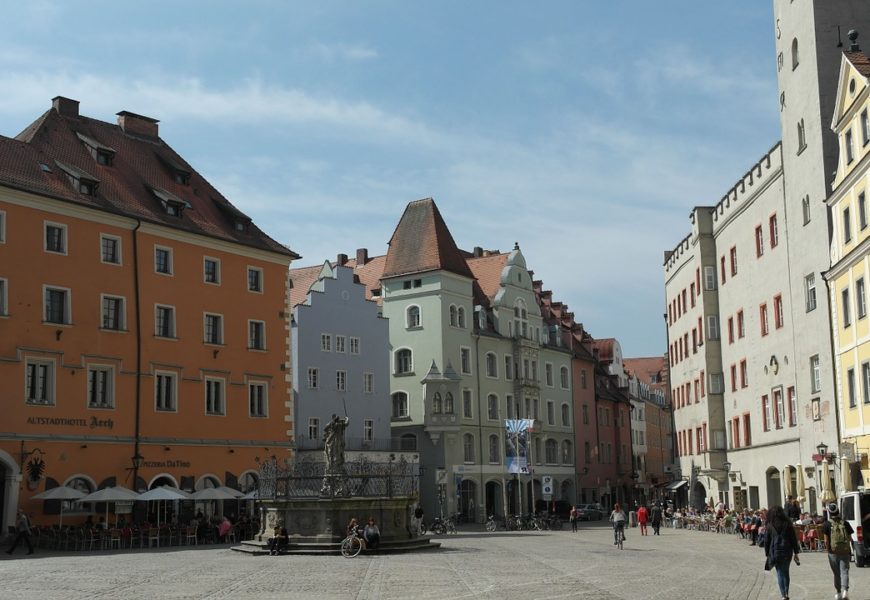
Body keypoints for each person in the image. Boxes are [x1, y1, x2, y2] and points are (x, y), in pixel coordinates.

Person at [763, 505, 800, 600]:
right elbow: (793, 539)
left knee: (779, 572)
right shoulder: (787, 524)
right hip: (787, 551)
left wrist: (767, 553)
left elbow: (766, 540)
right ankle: (787, 593)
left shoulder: (769, 525)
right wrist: (796, 552)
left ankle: (783, 595)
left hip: (775, 552)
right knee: (786, 572)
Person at [822, 502, 854, 600]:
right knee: (844, 571)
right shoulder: (845, 523)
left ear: (829, 512)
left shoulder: (826, 524)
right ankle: (845, 591)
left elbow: (826, 541)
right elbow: (850, 538)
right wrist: (849, 549)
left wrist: (829, 551)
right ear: (838, 511)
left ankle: (838, 593)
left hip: (833, 552)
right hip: (844, 551)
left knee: (836, 573)